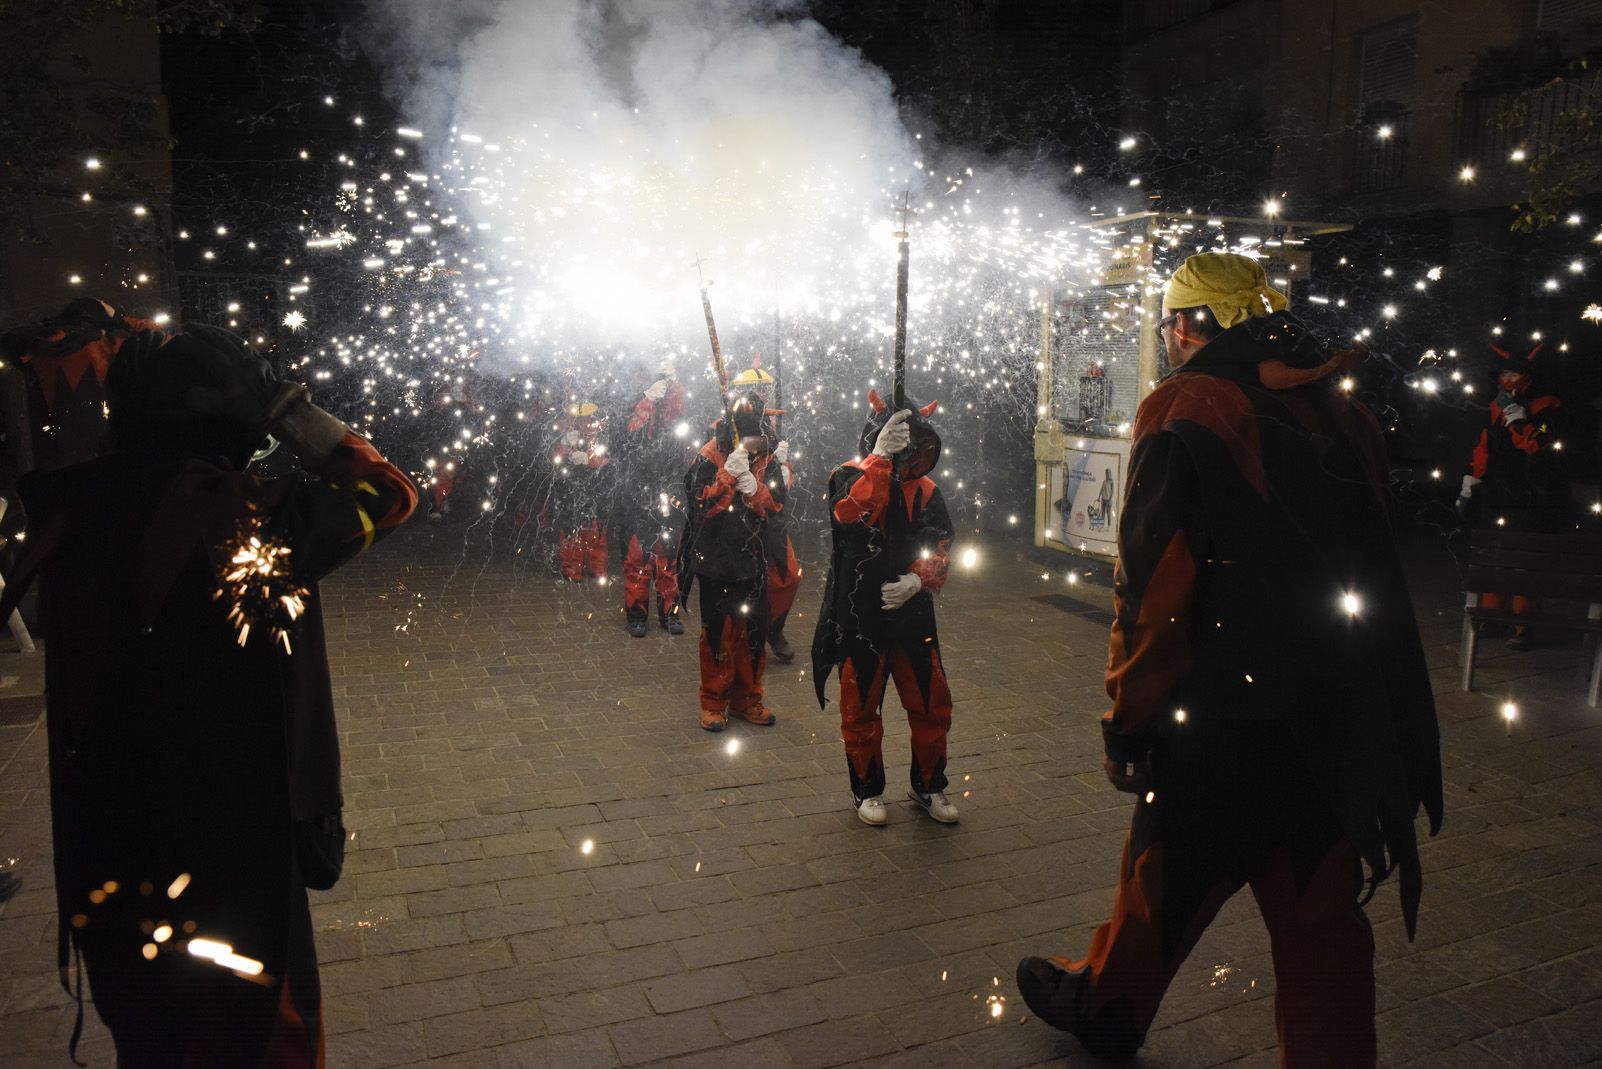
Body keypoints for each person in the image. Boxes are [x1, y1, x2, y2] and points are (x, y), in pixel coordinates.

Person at [1017, 252, 1442, 1067]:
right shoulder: (1337, 403)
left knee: (1161, 883)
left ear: (1190, 324)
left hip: (1218, 718)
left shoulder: (1189, 404)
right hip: (1327, 716)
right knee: (1323, 932)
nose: (1170, 336)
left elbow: (1155, 588)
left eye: (1172, 322)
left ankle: (1106, 1005)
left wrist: (1127, 721)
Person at [0, 325, 417, 1066]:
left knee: (153, 1039)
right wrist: (292, 411)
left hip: (115, 851)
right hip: (238, 851)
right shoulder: (252, 511)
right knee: (264, 1039)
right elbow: (390, 493)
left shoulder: (77, 510)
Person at [811, 389, 957, 826]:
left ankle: (928, 785)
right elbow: (849, 514)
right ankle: (866, 790)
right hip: (860, 611)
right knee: (860, 705)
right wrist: (877, 460)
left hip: (913, 615)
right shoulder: (846, 474)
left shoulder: (926, 489)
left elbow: (942, 544)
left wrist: (919, 578)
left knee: (931, 702)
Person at [1455, 332, 1569, 649]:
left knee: (1523, 563)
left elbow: (1543, 450)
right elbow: (1484, 446)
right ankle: (1492, 619)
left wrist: (1521, 423)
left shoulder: (1547, 407)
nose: (1507, 379)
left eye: (1513, 373)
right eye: (1504, 373)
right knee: (1495, 559)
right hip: (1497, 494)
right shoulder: (1495, 407)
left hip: (1531, 497)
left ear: (1527, 377)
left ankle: (1524, 627)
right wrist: (1471, 481)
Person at [678, 391, 783, 732]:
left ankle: (747, 699)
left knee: (754, 632)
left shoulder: (769, 458)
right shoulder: (709, 455)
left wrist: (753, 487)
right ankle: (713, 702)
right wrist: (726, 477)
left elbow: (776, 506)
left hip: (754, 558)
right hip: (717, 560)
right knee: (718, 633)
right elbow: (698, 504)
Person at [617, 360, 688, 636]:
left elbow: (680, 429)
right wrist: (646, 401)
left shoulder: (674, 405)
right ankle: (637, 614)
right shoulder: (633, 400)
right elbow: (626, 437)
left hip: (668, 492)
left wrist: (673, 390)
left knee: (668, 557)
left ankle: (670, 613)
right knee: (637, 557)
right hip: (637, 494)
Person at [552, 400, 611, 582]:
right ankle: (572, 567)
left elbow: (609, 458)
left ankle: (596, 566)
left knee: (595, 526)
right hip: (570, 485)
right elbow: (552, 459)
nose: (583, 421)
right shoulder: (562, 429)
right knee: (572, 526)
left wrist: (589, 460)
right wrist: (563, 446)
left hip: (595, 484)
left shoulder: (600, 431)